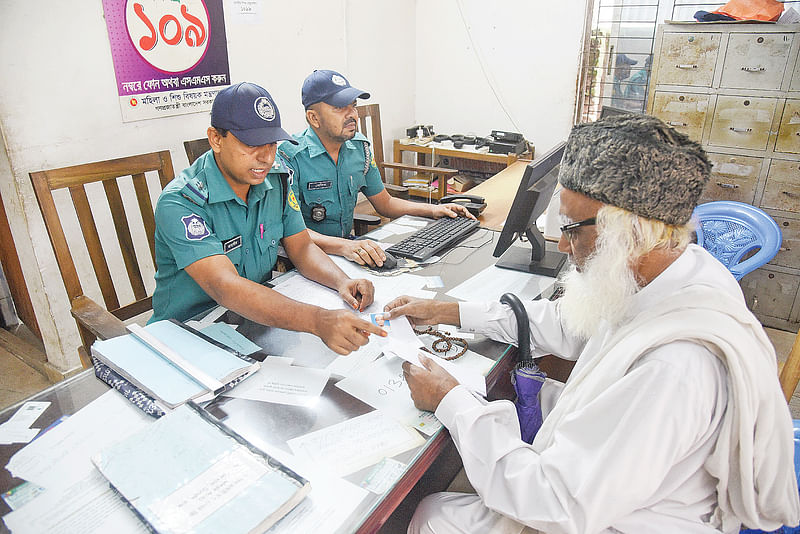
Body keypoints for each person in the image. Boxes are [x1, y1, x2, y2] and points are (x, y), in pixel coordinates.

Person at [383, 115, 800, 533]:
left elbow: (556, 503)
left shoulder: (674, 367)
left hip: (611, 521)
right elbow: (570, 324)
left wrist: (450, 401)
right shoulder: (675, 269)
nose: (563, 245)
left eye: (572, 230)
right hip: (615, 492)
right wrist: (446, 312)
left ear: (630, 231)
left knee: (433, 514)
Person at [151, 82, 386, 355]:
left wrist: (341, 281)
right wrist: (317, 320)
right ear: (216, 139)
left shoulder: (277, 180)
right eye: (251, 144)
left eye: (272, 143)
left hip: (254, 322)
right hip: (188, 334)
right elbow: (225, 288)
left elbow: (301, 247)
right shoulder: (182, 201)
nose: (265, 157)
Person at [278, 69, 475, 268]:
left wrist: (434, 210)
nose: (352, 114)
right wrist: (345, 246)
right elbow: (293, 231)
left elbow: (385, 203)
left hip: (348, 251)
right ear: (313, 118)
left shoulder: (359, 149)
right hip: (308, 258)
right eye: (339, 108)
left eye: (353, 106)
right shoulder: (290, 157)